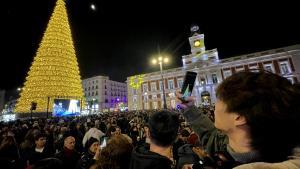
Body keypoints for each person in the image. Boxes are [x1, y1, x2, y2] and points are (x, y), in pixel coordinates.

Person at [177, 71, 300, 168]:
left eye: (220, 99)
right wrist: (189, 109)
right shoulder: (228, 145)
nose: (215, 106)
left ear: (239, 117)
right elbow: (210, 136)